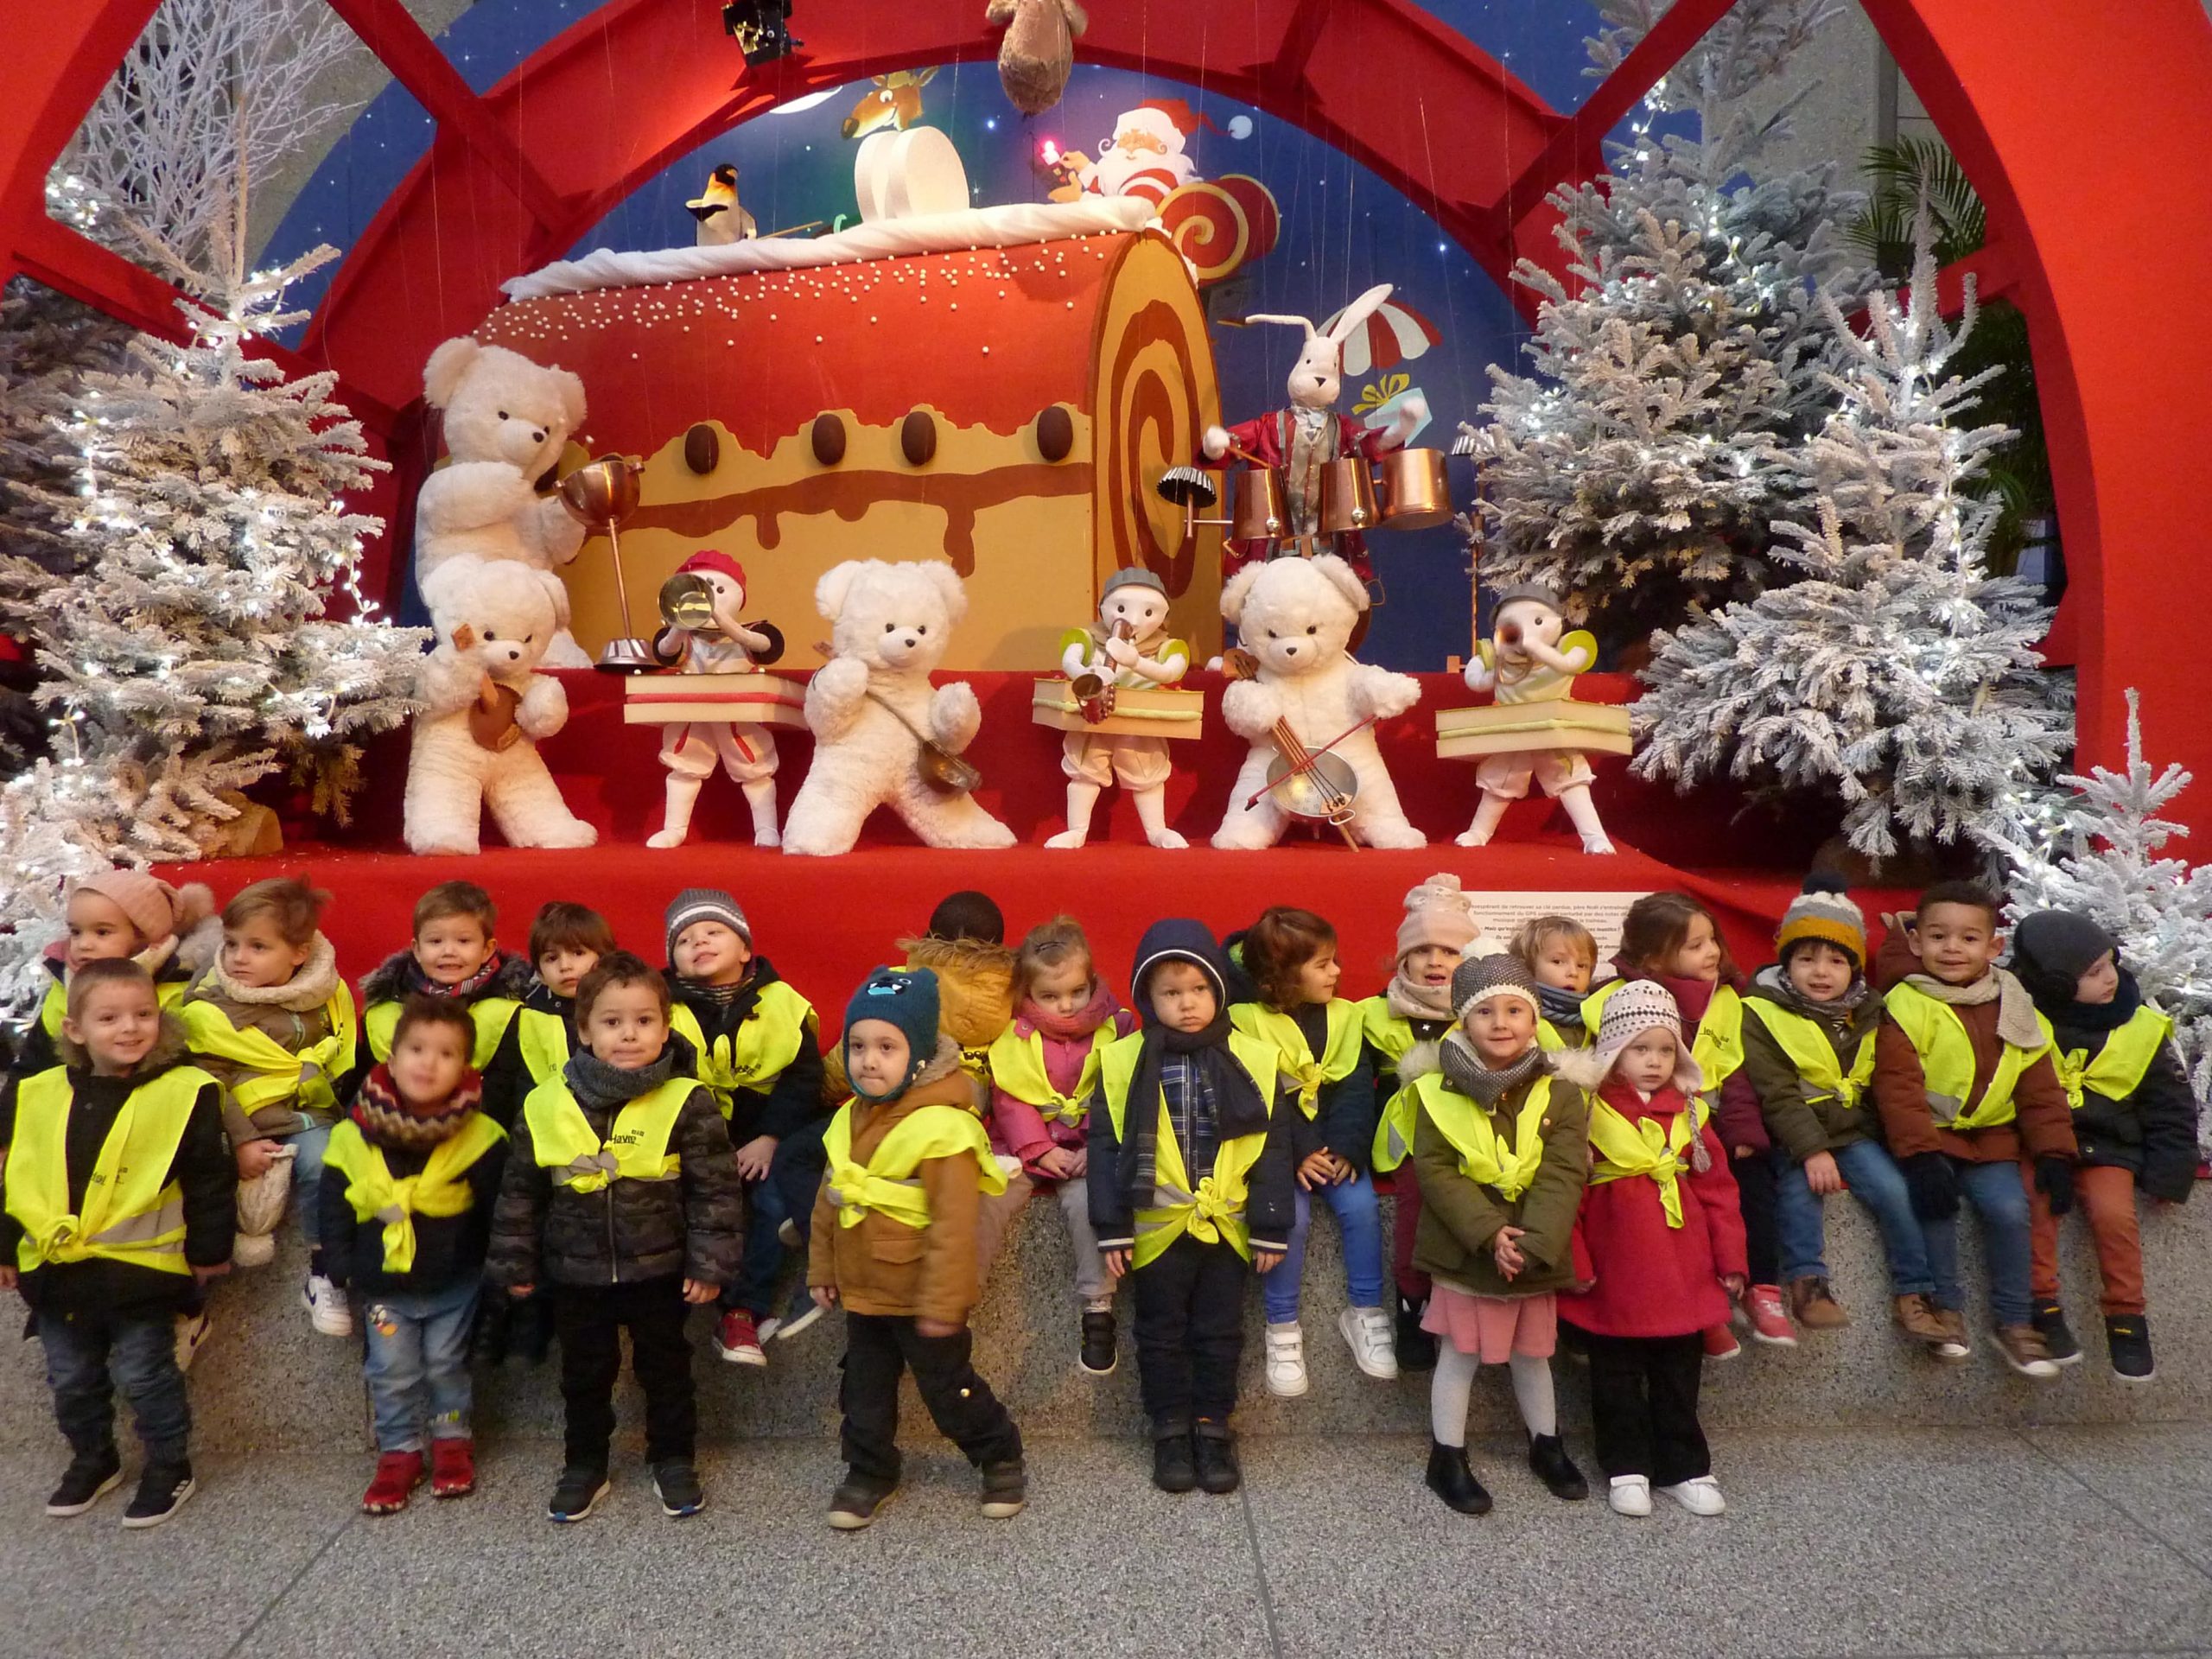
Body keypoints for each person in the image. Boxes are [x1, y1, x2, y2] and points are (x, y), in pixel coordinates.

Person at [488, 953, 743, 1522]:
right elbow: (520, 1193)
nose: (629, 1033)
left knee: (667, 1368)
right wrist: (517, 1264)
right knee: (583, 1371)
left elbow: (716, 1193)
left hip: (659, 1267)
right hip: (574, 1269)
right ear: (584, 1030)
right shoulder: (545, 1102)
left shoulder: (687, 1100)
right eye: (611, 1022)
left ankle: (673, 1460)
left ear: (665, 1026)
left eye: (644, 1021)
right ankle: (585, 1464)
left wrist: (709, 1264)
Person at [0, 959, 234, 1527]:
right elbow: (17, 1176)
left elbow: (209, 1175)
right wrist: (8, 1247)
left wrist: (209, 1249)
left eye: (144, 1014)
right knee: (71, 1379)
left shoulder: (185, 1090)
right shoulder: (36, 1092)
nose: (130, 1028)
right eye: (110, 1018)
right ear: (75, 1030)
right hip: (57, 1274)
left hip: (141, 1275)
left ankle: (169, 1464)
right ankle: (94, 1458)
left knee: (145, 1375)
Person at [809, 967, 1027, 1529]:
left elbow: (956, 1226)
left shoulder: (941, 1129)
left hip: (923, 1297)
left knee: (949, 1390)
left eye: (887, 1047)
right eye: (857, 1046)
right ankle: (869, 1470)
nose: (868, 1061)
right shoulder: (850, 1119)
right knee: (862, 1392)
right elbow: (830, 1199)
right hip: (864, 1289)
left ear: (921, 1057)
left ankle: (998, 1452)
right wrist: (822, 1270)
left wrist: (943, 1304)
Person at [1088, 920, 1297, 1496]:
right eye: (1170, 992)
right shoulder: (1122, 1059)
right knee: (1159, 1332)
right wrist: (1112, 1227)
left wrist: (1271, 1225)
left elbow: (1273, 1146)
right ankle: (1169, 1430)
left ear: (1219, 990)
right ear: (1147, 999)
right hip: (1157, 1222)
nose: (1186, 1004)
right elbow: (1105, 1147)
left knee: (1219, 1329)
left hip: (1226, 1222)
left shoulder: (1253, 1057)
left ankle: (1212, 1425)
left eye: (1198, 989)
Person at [1403, 953, 1590, 1515]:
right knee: (1458, 1354)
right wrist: (1491, 1234)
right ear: (1462, 1022)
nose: (1502, 1022)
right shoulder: (1439, 1091)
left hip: (1535, 1248)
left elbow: (1563, 1172)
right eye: (1485, 1012)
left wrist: (1531, 1242)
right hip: (1467, 1249)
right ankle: (1448, 1455)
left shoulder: (1561, 1093)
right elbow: (1435, 1170)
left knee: (1533, 1355)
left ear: (1536, 1021)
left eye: (1515, 1010)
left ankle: (1546, 1444)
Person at [1873, 880, 2076, 1379]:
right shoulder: (1904, 1003)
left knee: (2010, 1210)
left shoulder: (2014, 1003)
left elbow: (2040, 1087)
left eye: (1968, 939)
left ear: (1993, 947)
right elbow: (1896, 1086)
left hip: (1992, 1139)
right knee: (1936, 1209)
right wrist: (1919, 1157)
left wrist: (2055, 1153)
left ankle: (2013, 1322)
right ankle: (1947, 1311)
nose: (1952, 949)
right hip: (1931, 1139)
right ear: (1916, 941)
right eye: (1939, 937)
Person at [1558, 981, 1745, 1519]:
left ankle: (1684, 1465)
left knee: (1679, 1376)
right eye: (1640, 1049)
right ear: (1615, 1051)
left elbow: (1719, 1193)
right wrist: (1575, 1260)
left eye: (1666, 1050)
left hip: (1682, 1271)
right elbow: (1567, 1192)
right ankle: (1626, 1466)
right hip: (1615, 1271)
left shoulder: (1691, 1116)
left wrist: (1731, 1259)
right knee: (1614, 1376)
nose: (1654, 1062)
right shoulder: (1589, 1114)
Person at [1744, 876, 1950, 1353]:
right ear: (1786, 961)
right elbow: (1776, 1093)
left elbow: (1886, 1081)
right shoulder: (1759, 1010)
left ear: (1854, 968)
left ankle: (1914, 1292)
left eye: (1836, 960)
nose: (1821, 971)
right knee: (1799, 1190)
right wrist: (1812, 1150)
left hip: (1852, 1132)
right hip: (1793, 1134)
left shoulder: (1869, 1010)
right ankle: (1808, 1283)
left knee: (1896, 1193)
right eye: (1806, 958)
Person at [320, 996, 506, 1514]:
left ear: (466, 1068)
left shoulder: (483, 1138)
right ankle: (399, 1451)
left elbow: (498, 1210)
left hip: (455, 1281)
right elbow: (333, 1205)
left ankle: (453, 1442)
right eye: (417, 1049)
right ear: (392, 1058)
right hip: (382, 1285)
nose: (428, 1062)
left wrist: (505, 1269)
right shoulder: (351, 1135)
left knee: (449, 1365)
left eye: (446, 1054)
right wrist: (337, 1263)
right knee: (391, 1372)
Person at [1586, 892, 1786, 1353]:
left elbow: (1733, 1072)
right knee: (1666, 1217)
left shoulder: (1728, 999)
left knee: (1752, 1185)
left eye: (1711, 939)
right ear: (1655, 957)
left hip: (1708, 1127)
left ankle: (1760, 1288)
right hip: (1647, 1129)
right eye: (1695, 946)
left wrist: (1743, 1134)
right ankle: (1702, 1309)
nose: (1712, 952)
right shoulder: (1619, 1000)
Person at [2011, 910, 2198, 1380]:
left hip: (2107, 1147)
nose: (2109, 978)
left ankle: (2126, 1316)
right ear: (2054, 986)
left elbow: (2171, 1106)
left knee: (2114, 1215)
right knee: (2035, 1206)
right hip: (2037, 1145)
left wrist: (2170, 1171)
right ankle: (2043, 1305)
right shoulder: (2022, 1017)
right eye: (2092, 974)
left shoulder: (2140, 1027)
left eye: (2109, 964)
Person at [346, 880, 533, 1339]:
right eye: (435, 941)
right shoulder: (388, 1010)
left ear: (489, 946)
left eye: (463, 941)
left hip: (483, 1145)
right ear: (414, 947)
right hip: (405, 1155)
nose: (448, 951)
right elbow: (362, 1080)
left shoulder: (513, 1008)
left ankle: (490, 1320)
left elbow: (516, 1083)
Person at [1230, 906, 1394, 1394]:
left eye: (1334, 961)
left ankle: (1364, 1310)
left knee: (1362, 1205)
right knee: (1291, 1218)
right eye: (1323, 964)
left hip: (1333, 1142)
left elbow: (1355, 1089)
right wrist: (1300, 1151)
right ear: (1283, 974)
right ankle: (1281, 1326)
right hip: (1277, 1147)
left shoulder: (1346, 1017)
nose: (1337, 972)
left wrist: (1343, 1147)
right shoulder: (1244, 1022)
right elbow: (1259, 1096)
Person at [660, 889, 826, 1367]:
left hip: (768, 1133)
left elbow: (804, 1078)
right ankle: (714, 1304)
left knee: (772, 1199)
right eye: (685, 940)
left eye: (714, 932)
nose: (700, 943)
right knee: (696, 1204)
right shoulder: (661, 1008)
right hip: (695, 1138)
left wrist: (770, 1139)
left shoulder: (783, 1002)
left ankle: (744, 1310)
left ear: (745, 949)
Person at [181, 880, 356, 1282]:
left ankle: (323, 1268)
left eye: (258, 947)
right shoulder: (212, 1010)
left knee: (327, 1162)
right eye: (231, 943)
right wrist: (240, 1140)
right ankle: (192, 1294)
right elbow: (211, 1084)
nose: (239, 958)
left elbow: (339, 1054)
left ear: (299, 953)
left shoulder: (323, 996)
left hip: (308, 1113)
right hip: (244, 1123)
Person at [985, 917, 1136, 1375]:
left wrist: (1099, 1145)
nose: (1065, 1006)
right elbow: (1008, 1097)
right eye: (1049, 997)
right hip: (1029, 1145)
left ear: (1092, 981)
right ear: (1027, 994)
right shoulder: (1015, 1033)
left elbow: (1123, 1087)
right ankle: (957, 1291)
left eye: (1076, 992)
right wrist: (1037, 1147)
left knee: (1090, 1203)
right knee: (987, 1195)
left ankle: (1097, 1307)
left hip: (1092, 1147)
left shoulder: (1119, 1026)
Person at [474, 901, 616, 1364]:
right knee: (514, 1218)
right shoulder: (526, 1015)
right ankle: (506, 1313)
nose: (565, 966)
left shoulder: (621, 1009)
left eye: (577, 953)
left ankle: (539, 1316)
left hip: (605, 1145)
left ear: (604, 956)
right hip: (535, 1138)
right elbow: (504, 1081)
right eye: (551, 959)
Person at [1363, 874, 1484, 1373]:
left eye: (1451, 952)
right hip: (1410, 1138)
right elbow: (1353, 1089)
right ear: (1403, 959)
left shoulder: (1489, 1010)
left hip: (1476, 1135)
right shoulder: (1372, 1013)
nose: (1436, 962)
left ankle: (1472, 1304)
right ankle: (1411, 1301)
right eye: (1424, 950)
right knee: (1416, 1203)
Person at [12, 873, 214, 1080]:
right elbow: (32, 1066)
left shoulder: (177, 992)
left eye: (102, 932)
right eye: (76, 932)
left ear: (144, 937)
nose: (83, 944)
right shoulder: (65, 988)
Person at [1510, 914, 1598, 1051]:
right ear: (1527, 967)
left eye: (1582, 965)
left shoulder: (1600, 1019)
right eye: (1558, 961)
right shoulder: (1514, 1017)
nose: (1573, 972)